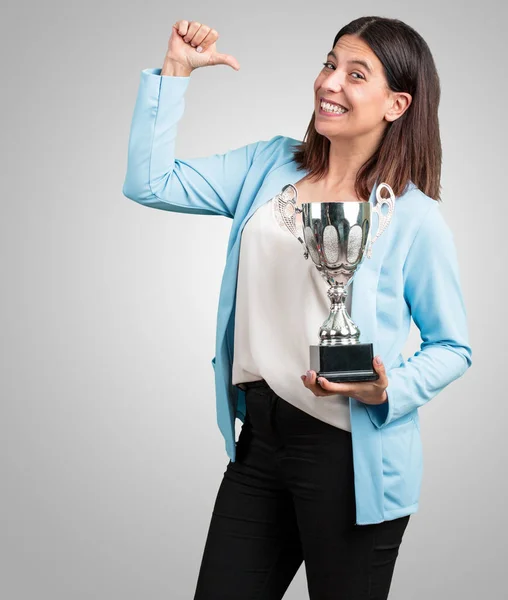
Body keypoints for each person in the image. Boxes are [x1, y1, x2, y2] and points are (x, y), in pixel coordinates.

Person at [122, 15, 473, 600]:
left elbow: (453, 346)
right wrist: (176, 73)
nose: (329, 83)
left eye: (355, 74)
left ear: (396, 104)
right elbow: (150, 181)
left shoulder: (411, 216)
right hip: (259, 441)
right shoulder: (268, 166)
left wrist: (385, 388)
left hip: (350, 456)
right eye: (329, 64)